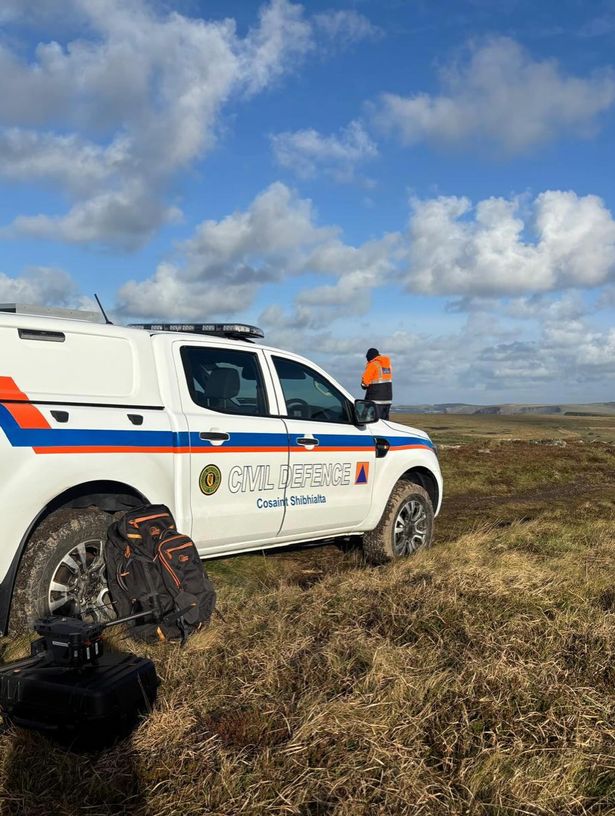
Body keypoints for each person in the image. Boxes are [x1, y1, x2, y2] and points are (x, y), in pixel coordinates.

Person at [361, 347, 393, 419]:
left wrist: (363, 384)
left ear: (369, 357)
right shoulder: (388, 366)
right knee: (383, 422)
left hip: (375, 399)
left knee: (368, 421)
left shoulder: (373, 364)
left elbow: (365, 383)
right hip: (388, 400)